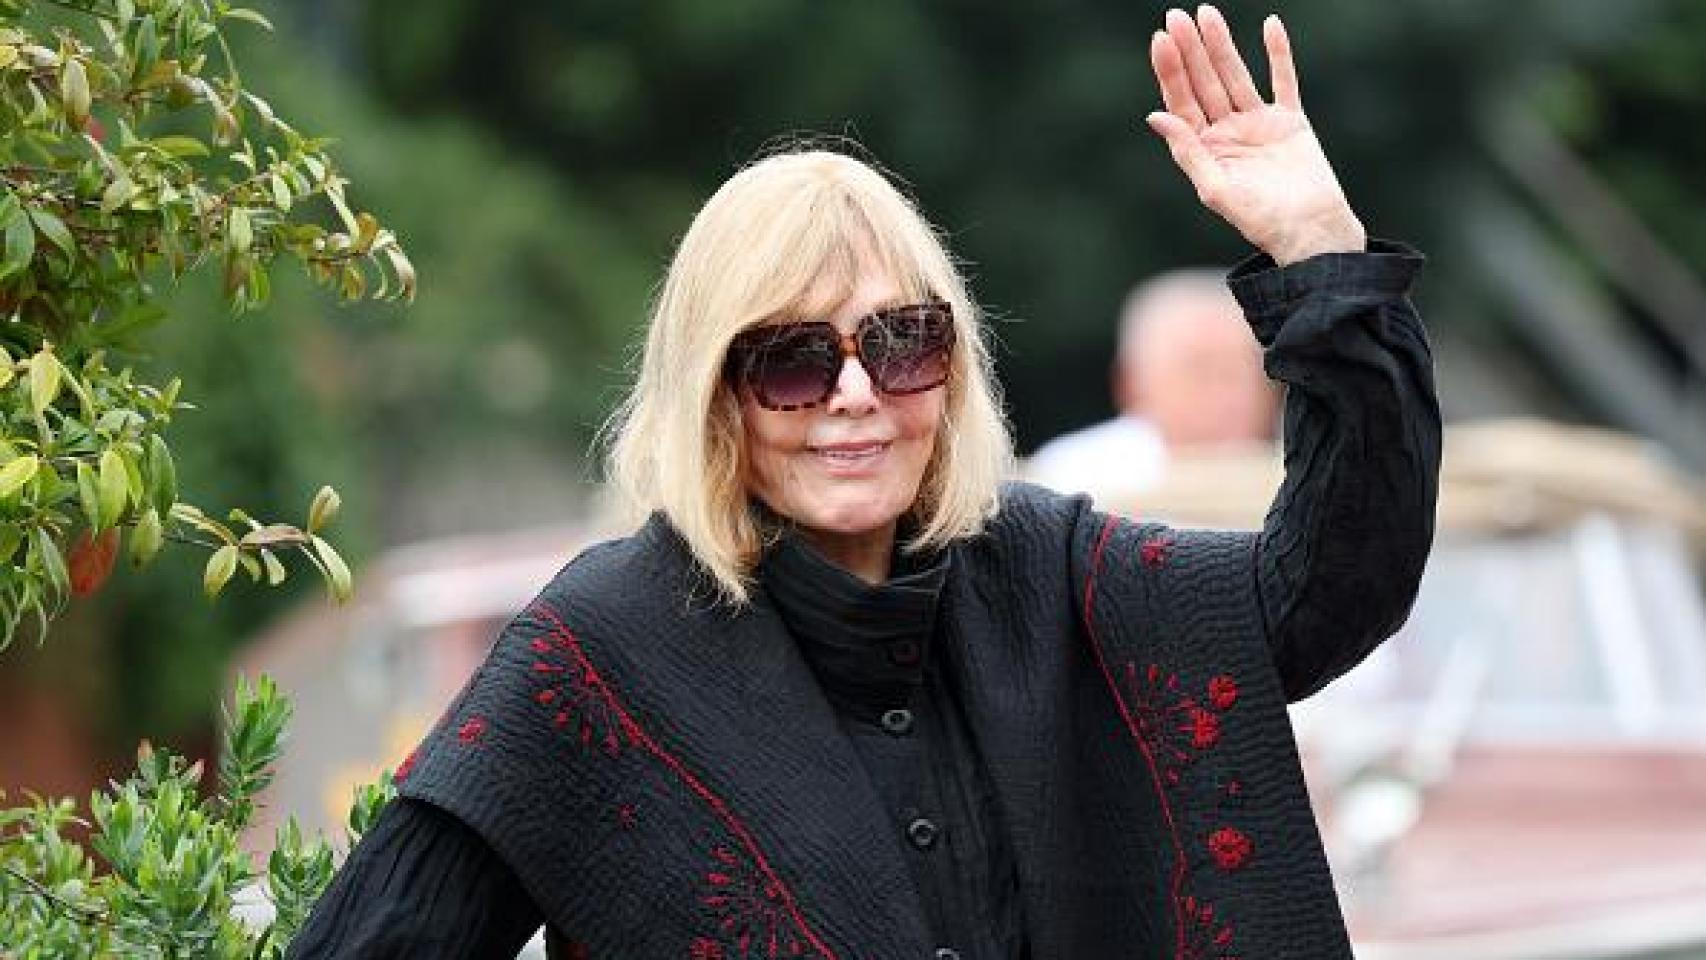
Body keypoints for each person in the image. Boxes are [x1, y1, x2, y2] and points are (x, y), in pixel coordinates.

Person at [288, 7, 1439, 959]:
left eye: (898, 343)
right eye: (789, 358)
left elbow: (1330, 586)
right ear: (714, 394)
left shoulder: (1053, 571)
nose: (854, 395)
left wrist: (1319, 254)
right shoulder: (597, 653)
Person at [1026, 268, 1281, 496]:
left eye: (1238, 372)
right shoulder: (1071, 477)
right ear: (1131, 384)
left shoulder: (1302, 476)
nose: (1225, 397)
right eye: (1200, 369)